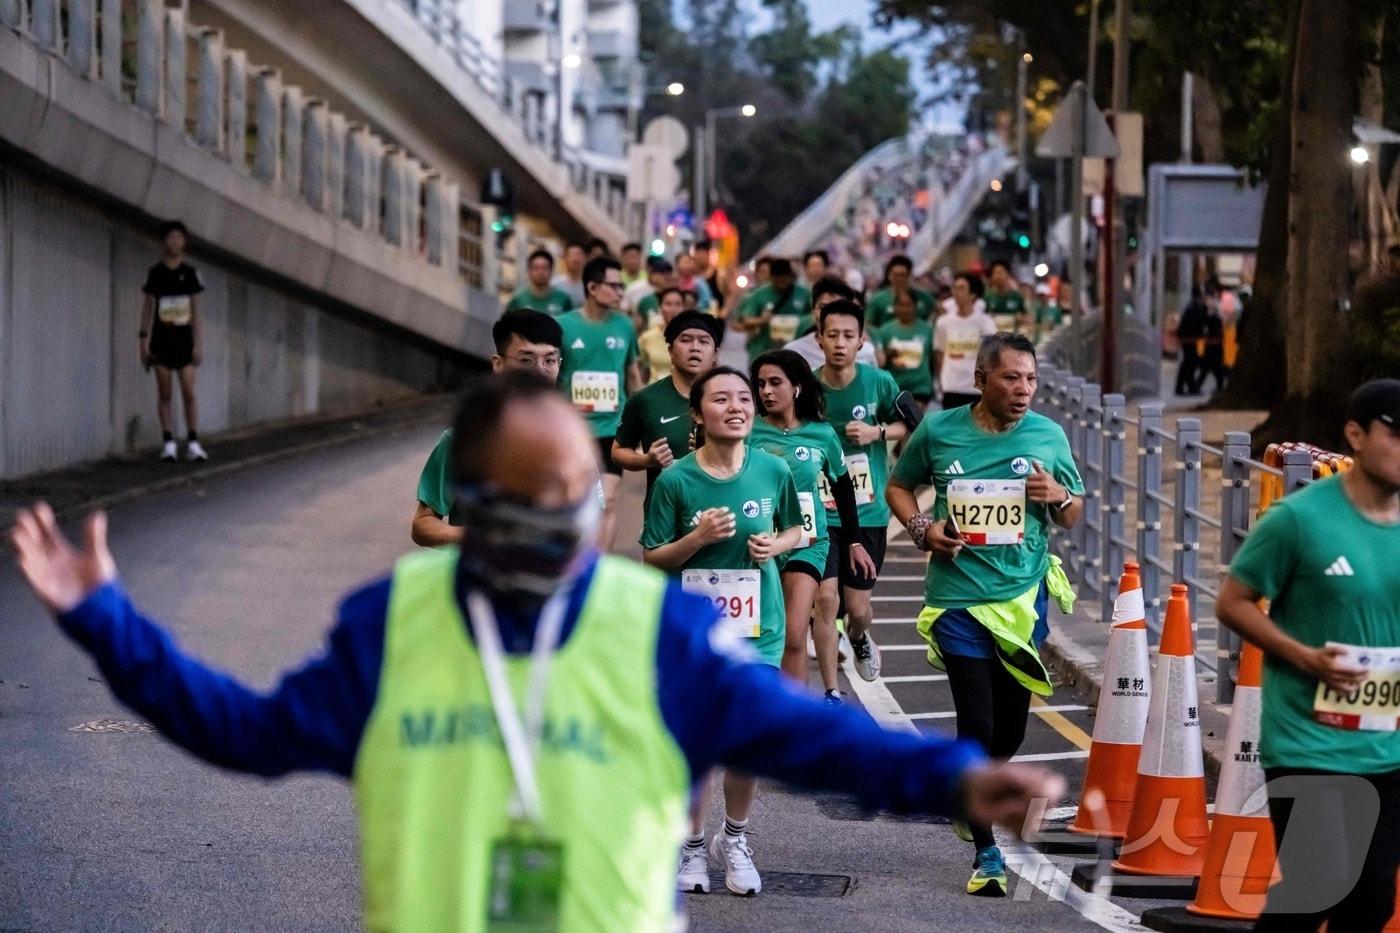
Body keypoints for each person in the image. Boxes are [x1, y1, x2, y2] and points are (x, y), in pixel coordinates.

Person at [10, 373, 1065, 930]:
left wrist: (956, 776)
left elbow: (807, 740)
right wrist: (105, 619)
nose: (565, 511)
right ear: (470, 501)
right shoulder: (393, 625)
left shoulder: (653, 631)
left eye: (576, 490)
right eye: (533, 492)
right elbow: (240, 730)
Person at [886, 332, 1084, 897]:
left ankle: (967, 789)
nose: (1023, 391)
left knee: (1011, 728)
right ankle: (987, 852)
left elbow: (1073, 516)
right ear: (980, 380)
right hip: (957, 598)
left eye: (1030, 380)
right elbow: (900, 486)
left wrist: (1057, 497)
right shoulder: (941, 431)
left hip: (1022, 598)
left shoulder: (1049, 436)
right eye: (1010, 378)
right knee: (976, 723)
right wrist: (925, 530)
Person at [1216, 379, 1400, 932]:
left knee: (1370, 901)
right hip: (1307, 739)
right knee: (1318, 886)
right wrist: (1304, 657)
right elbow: (1234, 602)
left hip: (1386, 744)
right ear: (1356, 435)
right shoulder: (1298, 520)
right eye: (1396, 434)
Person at [641, 367, 805, 895]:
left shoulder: (775, 470)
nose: (737, 407)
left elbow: (801, 528)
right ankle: (691, 847)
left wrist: (775, 546)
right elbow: (652, 557)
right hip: (696, 631)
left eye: (744, 397)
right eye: (721, 399)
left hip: (760, 625)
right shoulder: (676, 481)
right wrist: (697, 537)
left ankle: (734, 839)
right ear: (697, 413)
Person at [750, 350, 871, 699]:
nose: (767, 392)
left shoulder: (821, 434)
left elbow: (843, 487)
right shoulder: (750, 430)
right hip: (760, 542)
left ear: (797, 388)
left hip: (808, 540)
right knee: (759, 631)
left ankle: (793, 716)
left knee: (793, 631)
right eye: (760, 384)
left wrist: (853, 541)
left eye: (775, 383)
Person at [816, 299, 913, 682]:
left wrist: (878, 432)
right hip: (820, 511)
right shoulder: (806, 385)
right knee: (826, 601)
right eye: (832, 335)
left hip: (867, 511)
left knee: (857, 609)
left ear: (860, 342)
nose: (840, 343)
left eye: (848, 336)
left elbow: (911, 425)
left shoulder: (879, 382)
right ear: (819, 339)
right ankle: (829, 692)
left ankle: (858, 637)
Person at [411, 310, 562, 547]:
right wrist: (480, 536)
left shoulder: (573, 442)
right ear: (498, 364)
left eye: (550, 360)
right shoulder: (463, 441)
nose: (540, 371)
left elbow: (593, 521)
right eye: (526, 360)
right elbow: (423, 524)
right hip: (480, 579)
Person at [557, 257, 641, 550]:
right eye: (615, 286)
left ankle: (598, 570)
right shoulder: (562, 327)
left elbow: (631, 374)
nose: (621, 292)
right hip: (573, 432)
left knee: (607, 500)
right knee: (574, 503)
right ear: (592, 287)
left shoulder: (625, 326)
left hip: (612, 429)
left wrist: (641, 420)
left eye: (623, 286)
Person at [613, 310, 721, 511]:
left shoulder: (733, 401)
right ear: (670, 352)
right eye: (686, 340)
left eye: (704, 341)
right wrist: (646, 460)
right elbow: (619, 451)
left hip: (720, 508)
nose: (695, 347)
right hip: (663, 514)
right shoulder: (645, 399)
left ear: (715, 354)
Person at [139, 220, 208, 462]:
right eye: (171, 237)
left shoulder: (190, 274)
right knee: (165, 393)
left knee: (189, 392)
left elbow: (196, 311)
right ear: (164, 242)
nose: (175, 242)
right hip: (160, 342)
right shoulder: (155, 273)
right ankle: (168, 443)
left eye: (179, 237)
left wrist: (199, 343)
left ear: (184, 242)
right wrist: (142, 341)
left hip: (184, 343)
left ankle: (193, 442)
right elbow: (147, 308)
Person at [784, 276, 880, 370]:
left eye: (837, 308)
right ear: (813, 312)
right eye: (823, 307)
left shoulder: (866, 352)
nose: (829, 315)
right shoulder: (794, 353)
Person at [934, 272, 998, 409]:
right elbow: (939, 352)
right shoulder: (943, 322)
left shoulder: (986, 323)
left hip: (974, 387)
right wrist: (940, 380)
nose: (956, 292)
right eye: (955, 288)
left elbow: (991, 355)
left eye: (962, 288)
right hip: (951, 385)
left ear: (973, 294)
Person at [732, 258, 811, 359]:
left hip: (796, 350)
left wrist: (799, 321)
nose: (781, 283)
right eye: (777, 280)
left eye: (784, 279)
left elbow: (813, 316)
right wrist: (762, 320)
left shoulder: (803, 293)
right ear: (772, 277)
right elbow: (745, 320)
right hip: (764, 350)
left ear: (790, 277)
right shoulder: (759, 294)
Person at [876, 290, 936, 406]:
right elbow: (879, 362)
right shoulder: (884, 331)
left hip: (920, 387)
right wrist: (888, 355)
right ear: (895, 307)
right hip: (894, 387)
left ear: (915, 306)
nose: (905, 309)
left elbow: (933, 358)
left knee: (914, 420)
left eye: (908, 305)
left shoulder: (927, 330)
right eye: (901, 305)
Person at [866, 255, 936, 329]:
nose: (899, 279)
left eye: (902, 275)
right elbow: (868, 324)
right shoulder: (878, 299)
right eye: (895, 275)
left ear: (909, 276)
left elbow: (939, 312)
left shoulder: (924, 297)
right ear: (889, 276)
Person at [636, 287, 686, 384]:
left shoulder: (693, 338)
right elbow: (639, 368)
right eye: (668, 304)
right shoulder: (648, 337)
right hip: (655, 392)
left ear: (684, 308)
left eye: (678, 304)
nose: (673, 309)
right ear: (660, 307)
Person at [505, 248, 575, 316]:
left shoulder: (563, 299)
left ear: (551, 271)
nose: (540, 272)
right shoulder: (518, 299)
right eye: (536, 268)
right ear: (529, 271)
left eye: (545, 268)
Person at [1174, 286, 1208, 396]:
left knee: (1189, 363)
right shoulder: (1197, 307)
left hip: (1188, 339)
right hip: (1191, 339)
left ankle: (1185, 386)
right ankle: (1189, 386)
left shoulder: (1191, 306)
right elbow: (1200, 322)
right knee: (1191, 362)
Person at [632, 258, 675, 330]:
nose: (667, 277)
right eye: (662, 273)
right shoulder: (638, 292)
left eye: (669, 273)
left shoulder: (675, 294)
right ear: (652, 274)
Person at [985, 260, 1027, 333]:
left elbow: (1025, 317)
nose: (998, 276)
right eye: (995, 273)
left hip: (1010, 338)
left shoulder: (1016, 297)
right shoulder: (987, 297)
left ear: (1008, 275)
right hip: (993, 337)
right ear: (992, 277)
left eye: (1001, 273)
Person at [553, 241, 587, 308]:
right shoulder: (554, 284)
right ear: (565, 259)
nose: (575, 259)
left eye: (579, 255)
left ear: (585, 258)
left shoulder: (591, 286)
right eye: (572, 255)